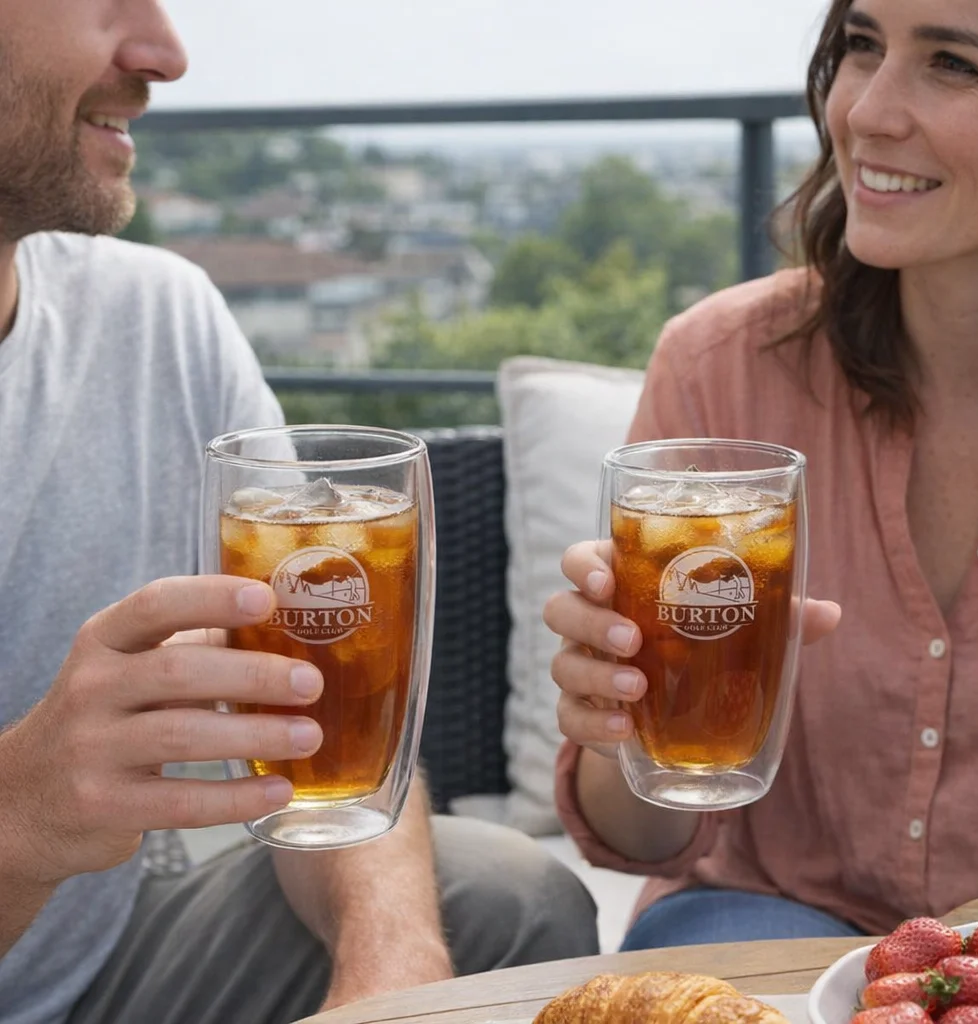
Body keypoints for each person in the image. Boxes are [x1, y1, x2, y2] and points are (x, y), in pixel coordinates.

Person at [0, 3, 599, 1023]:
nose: (166, 54)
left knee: (506, 900)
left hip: (103, 966)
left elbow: (321, 719)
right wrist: (18, 821)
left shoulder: (156, 320)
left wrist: (389, 971)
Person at [544, 0, 978, 951]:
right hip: (763, 921)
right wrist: (617, 722)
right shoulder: (721, 364)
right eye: (861, 47)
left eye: (953, 65)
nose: (869, 110)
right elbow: (647, 839)